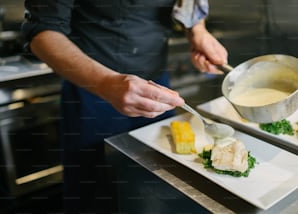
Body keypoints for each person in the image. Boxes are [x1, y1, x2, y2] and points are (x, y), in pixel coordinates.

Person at [22, 0, 227, 213]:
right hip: (93, 93)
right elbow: (42, 32)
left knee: (158, 190)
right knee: (95, 195)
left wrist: (197, 31)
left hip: (156, 85)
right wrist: (106, 84)